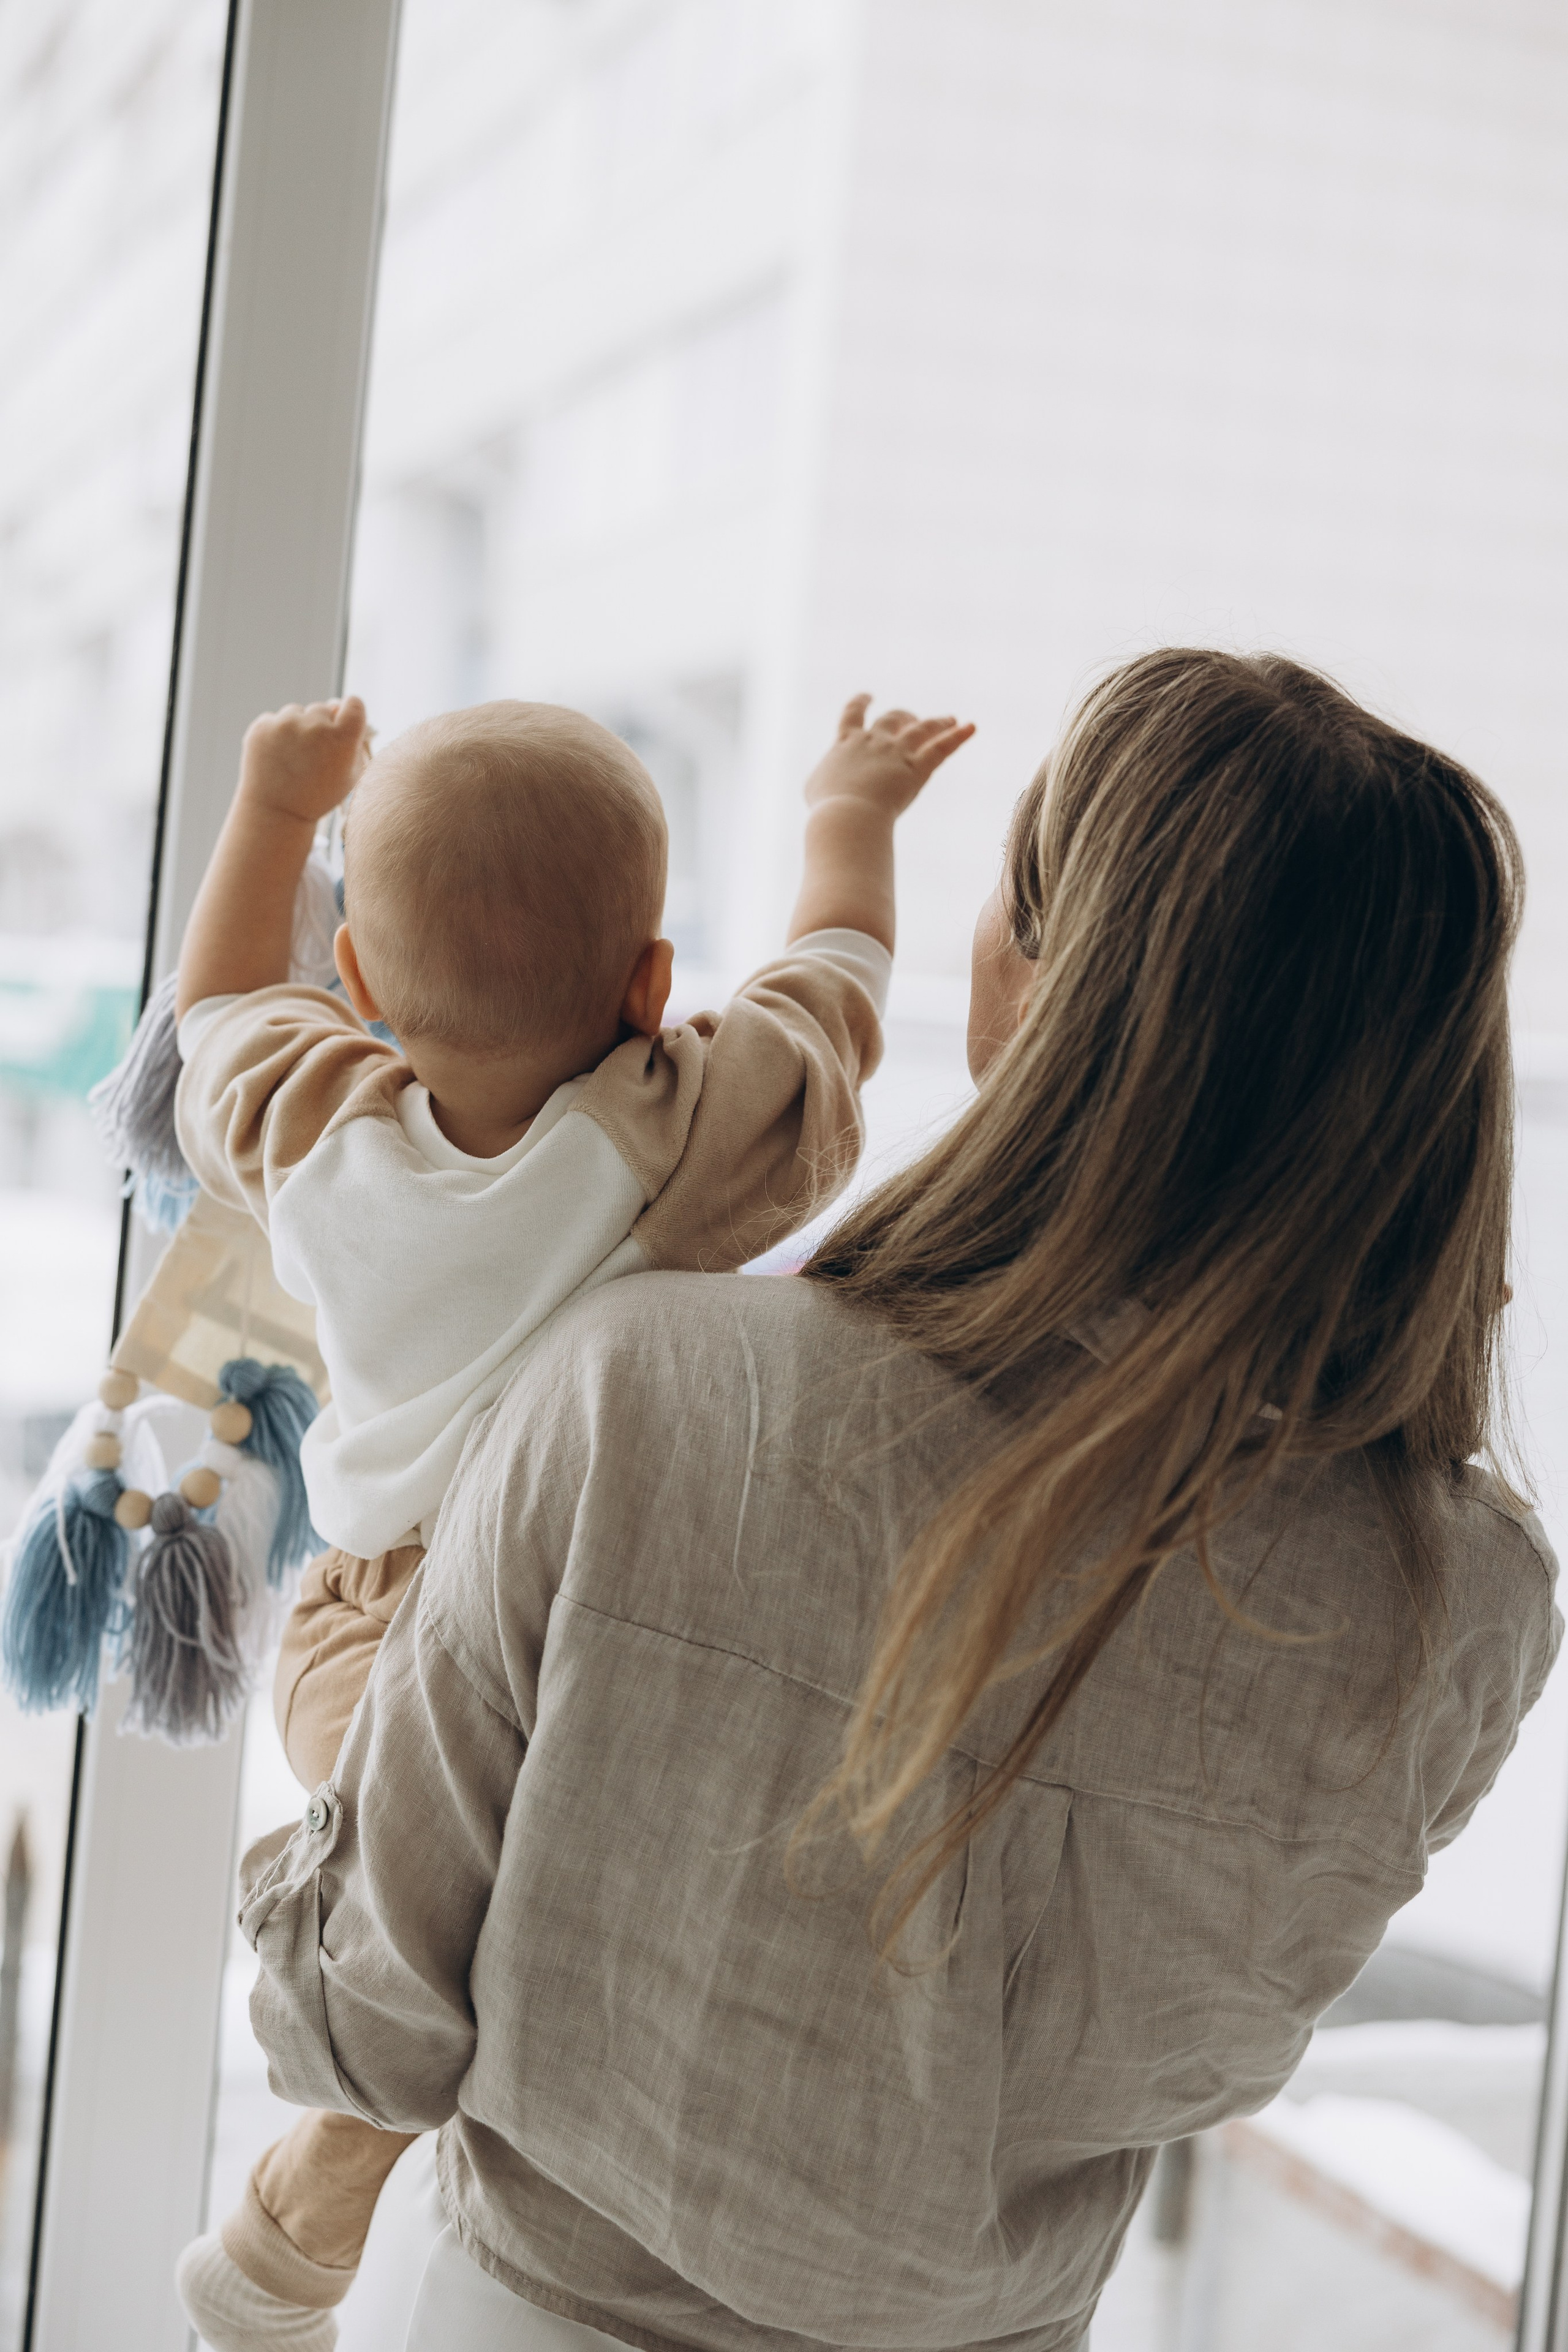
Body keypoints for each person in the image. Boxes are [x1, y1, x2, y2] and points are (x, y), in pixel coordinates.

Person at [238, 650, 1558, 2352]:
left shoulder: (645, 1385)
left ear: (1043, 975)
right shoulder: (1468, 1605)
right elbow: (1203, 2057)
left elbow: (374, 2015)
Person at [172, 688, 974, 2350]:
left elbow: (219, 1009)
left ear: (360, 978)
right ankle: (301, 2224)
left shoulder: (319, 1130)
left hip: (362, 1636)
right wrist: (854, 814)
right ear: (653, 984)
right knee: (530, 1938)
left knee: (446, 1951)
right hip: (568, 1646)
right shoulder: (673, 1137)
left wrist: (271, 811)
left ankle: (297, 2228)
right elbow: (834, 997)